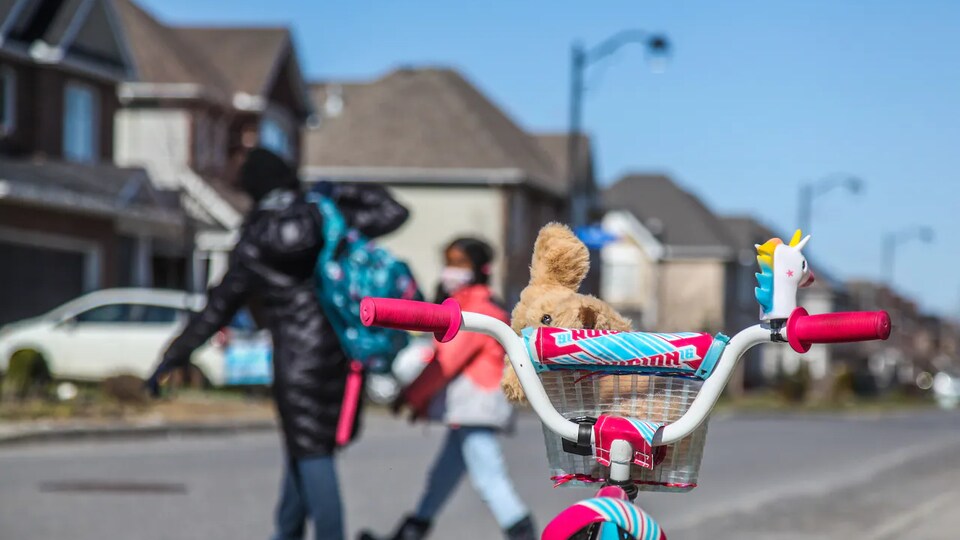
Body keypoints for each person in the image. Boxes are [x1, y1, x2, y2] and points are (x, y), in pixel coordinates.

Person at [146, 147, 408, 540]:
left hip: (294, 361)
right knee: (305, 450)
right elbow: (393, 211)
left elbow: (217, 307)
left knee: (312, 454)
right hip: (337, 349)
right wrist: (335, 189)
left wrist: (174, 355)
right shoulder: (324, 215)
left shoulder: (255, 238)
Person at [359, 238, 536, 540]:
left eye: (459, 263)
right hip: (467, 409)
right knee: (440, 480)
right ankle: (409, 533)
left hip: (478, 408)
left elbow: (446, 362)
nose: (450, 270)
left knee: (490, 480)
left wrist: (411, 396)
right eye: (448, 262)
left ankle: (525, 535)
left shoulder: (480, 310)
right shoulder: (466, 305)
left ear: (478, 269)